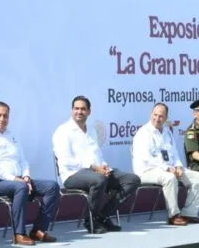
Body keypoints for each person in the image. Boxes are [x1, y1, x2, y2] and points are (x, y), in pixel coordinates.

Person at [0, 101, 60, 245]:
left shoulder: (11, 135)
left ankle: (38, 230)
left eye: (5, 116)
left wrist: (26, 176)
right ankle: (19, 234)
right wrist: (15, 179)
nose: (2, 119)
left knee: (52, 186)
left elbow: (23, 160)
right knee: (20, 187)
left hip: (18, 180)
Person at [53, 96, 140, 234]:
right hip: (72, 175)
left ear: (89, 111)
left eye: (83, 109)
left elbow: (97, 154)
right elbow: (65, 160)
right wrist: (93, 167)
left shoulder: (91, 130)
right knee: (99, 179)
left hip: (97, 172)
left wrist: (104, 167)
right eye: (76, 108)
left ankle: (103, 215)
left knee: (132, 180)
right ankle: (91, 220)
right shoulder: (63, 131)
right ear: (71, 110)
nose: (79, 112)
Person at [132, 103, 199, 226]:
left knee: (198, 177)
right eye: (155, 115)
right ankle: (173, 215)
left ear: (166, 118)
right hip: (147, 171)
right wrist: (167, 168)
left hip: (170, 168)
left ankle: (189, 214)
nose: (157, 118)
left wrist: (178, 166)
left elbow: (174, 153)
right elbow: (147, 159)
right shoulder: (143, 133)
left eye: (161, 116)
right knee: (170, 178)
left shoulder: (167, 131)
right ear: (151, 114)